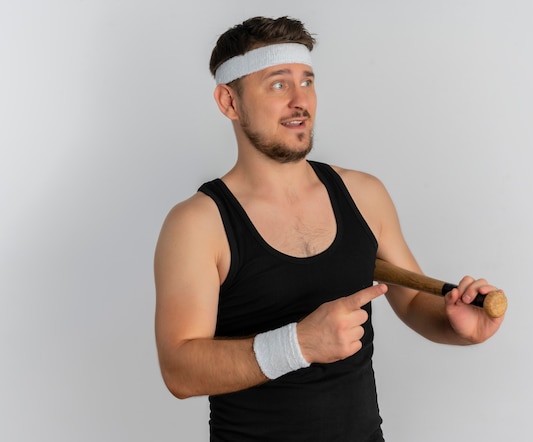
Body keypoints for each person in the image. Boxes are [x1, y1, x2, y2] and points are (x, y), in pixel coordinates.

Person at [154, 16, 504, 441]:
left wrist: (458, 327)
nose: (300, 101)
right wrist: (298, 345)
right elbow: (179, 371)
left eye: (308, 81)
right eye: (279, 84)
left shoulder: (364, 194)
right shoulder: (198, 224)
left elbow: (413, 304)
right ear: (229, 102)